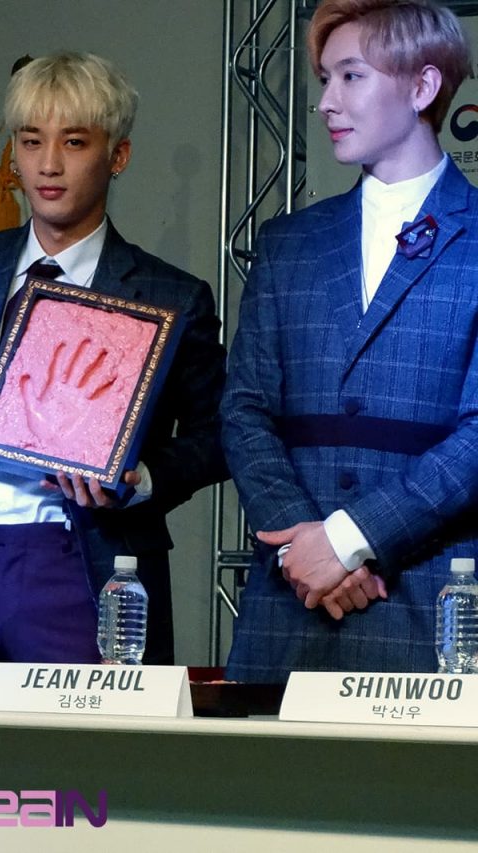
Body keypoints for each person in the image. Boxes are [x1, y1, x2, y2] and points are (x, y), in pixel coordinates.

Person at [0, 52, 227, 700]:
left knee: (84, 759)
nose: (48, 164)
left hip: (89, 563)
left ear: (118, 156)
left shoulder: (172, 295)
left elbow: (220, 434)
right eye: (30, 141)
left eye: (73, 142)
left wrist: (137, 479)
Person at [221, 0, 478, 682]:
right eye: (324, 80)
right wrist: (301, 548)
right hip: (290, 607)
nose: (327, 101)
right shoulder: (288, 243)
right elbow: (244, 410)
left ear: (423, 87)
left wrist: (348, 540)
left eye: (351, 76)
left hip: (432, 603)